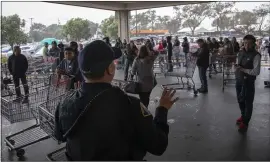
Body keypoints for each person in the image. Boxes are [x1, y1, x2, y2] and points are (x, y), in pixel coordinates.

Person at [54, 40, 179, 160]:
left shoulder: (64, 103)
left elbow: (60, 136)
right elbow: (158, 145)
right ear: (110, 69)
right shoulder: (130, 105)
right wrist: (162, 110)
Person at [235, 34, 261, 132]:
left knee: (248, 102)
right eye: (245, 43)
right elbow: (239, 63)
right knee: (240, 99)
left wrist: (243, 69)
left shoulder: (256, 55)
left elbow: (256, 72)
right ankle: (243, 116)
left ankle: (245, 123)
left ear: (254, 44)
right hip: (239, 80)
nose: (247, 45)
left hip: (248, 82)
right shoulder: (240, 52)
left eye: (249, 44)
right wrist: (237, 68)